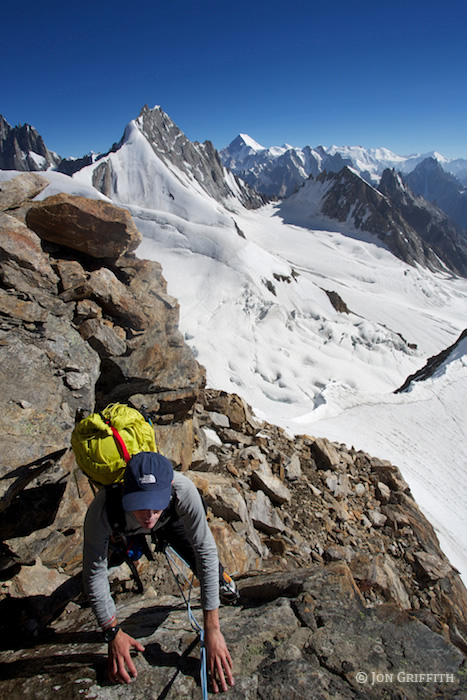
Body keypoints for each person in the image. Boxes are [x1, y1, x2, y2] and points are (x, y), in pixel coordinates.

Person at [82, 451, 235, 693]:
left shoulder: (183, 491)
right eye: (140, 505)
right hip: (126, 526)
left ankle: (222, 582)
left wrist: (212, 628)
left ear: (170, 488)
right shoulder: (102, 509)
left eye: (156, 505)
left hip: (170, 521)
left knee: (207, 568)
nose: (149, 514)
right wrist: (112, 633)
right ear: (125, 491)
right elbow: (94, 573)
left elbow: (204, 549)